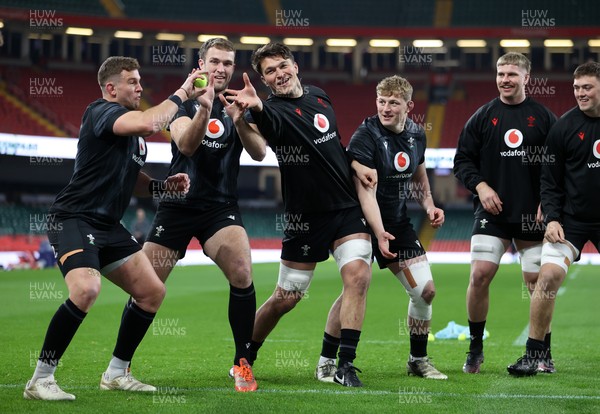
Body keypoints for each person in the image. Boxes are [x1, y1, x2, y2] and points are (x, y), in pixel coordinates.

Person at [23, 56, 198, 400]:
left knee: (152, 292)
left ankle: (117, 373)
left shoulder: (136, 138)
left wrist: (164, 187)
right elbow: (151, 121)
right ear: (111, 88)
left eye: (140, 80)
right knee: (86, 290)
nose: (140, 86)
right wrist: (183, 92)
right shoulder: (100, 112)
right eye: (132, 81)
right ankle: (40, 379)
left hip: (108, 225)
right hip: (74, 217)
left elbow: (132, 181)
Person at [223, 42, 372, 387]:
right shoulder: (270, 112)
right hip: (304, 218)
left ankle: (341, 363)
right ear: (264, 82)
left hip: (346, 209)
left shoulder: (320, 96)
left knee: (358, 278)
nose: (279, 74)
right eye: (269, 72)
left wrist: (354, 162)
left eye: (281, 66)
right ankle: (244, 358)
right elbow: (263, 140)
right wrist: (255, 108)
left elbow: (332, 146)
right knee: (285, 299)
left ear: (295, 65)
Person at [141, 37, 263, 392]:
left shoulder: (242, 103)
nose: (221, 68)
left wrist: (240, 120)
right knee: (146, 288)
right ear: (201, 64)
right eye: (215, 62)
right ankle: (119, 368)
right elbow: (186, 145)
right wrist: (205, 109)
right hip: (178, 205)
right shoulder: (181, 100)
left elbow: (258, 152)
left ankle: (243, 365)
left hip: (220, 207)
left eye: (227, 63)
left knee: (242, 271)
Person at [453, 52, 557, 374]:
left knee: (537, 284)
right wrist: (481, 187)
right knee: (479, 274)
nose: (505, 80)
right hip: (492, 213)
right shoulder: (483, 117)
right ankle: (475, 348)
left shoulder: (544, 118)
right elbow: (462, 161)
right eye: (500, 74)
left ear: (527, 78)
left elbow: (558, 166)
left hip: (532, 215)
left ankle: (543, 354)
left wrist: (548, 201)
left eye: (512, 74)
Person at [340, 75, 447, 380]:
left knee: (425, 291)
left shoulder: (416, 133)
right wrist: (377, 231)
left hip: (397, 222)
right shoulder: (366, 135)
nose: (386, 108)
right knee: (353, 289)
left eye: (393, 103)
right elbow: (366, 191)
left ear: (409, 106)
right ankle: (337, 361)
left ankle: (418, 359)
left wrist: (429, 205)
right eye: (381, 101)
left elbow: (420, 173)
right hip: (359, 222)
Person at [508, 61, 600, 376]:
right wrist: (552, 218)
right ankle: (535, 356)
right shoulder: (563, 127)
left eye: (587, 87)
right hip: (570, 221)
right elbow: (549, 180)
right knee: (546, 279)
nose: (580, 93)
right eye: (576, 88)